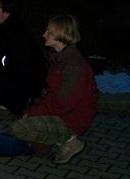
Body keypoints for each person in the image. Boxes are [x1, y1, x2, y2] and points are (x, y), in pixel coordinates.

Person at [8, 15, 97, 163]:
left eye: (49, 32)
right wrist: (32, 111)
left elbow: (63, 103)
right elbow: (51, 94)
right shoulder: (59, 58)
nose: (44, 35)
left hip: (73, 119)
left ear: (61, 35)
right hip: (62, 111)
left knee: (19, 128)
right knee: (22, 119)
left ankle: (69, 140)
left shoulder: (74, 65)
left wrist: (33, 113)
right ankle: (47, 143)